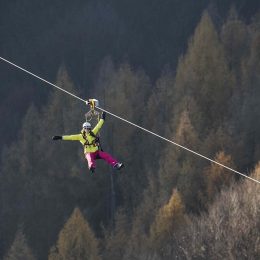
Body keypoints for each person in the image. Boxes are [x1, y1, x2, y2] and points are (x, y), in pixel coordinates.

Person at [52, 112, 124, 173]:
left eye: (88, 128)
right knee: (90, 159)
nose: (87, 129)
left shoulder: (93, 132)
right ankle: (92, 167)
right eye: (85, 128)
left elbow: (99, 125)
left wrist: (102, 118)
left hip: (96, 152)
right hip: (88, 153)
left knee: (106, 155)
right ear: (83, 128)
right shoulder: (80, 136)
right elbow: (70, 137)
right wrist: (60, 137)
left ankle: (116, 164)